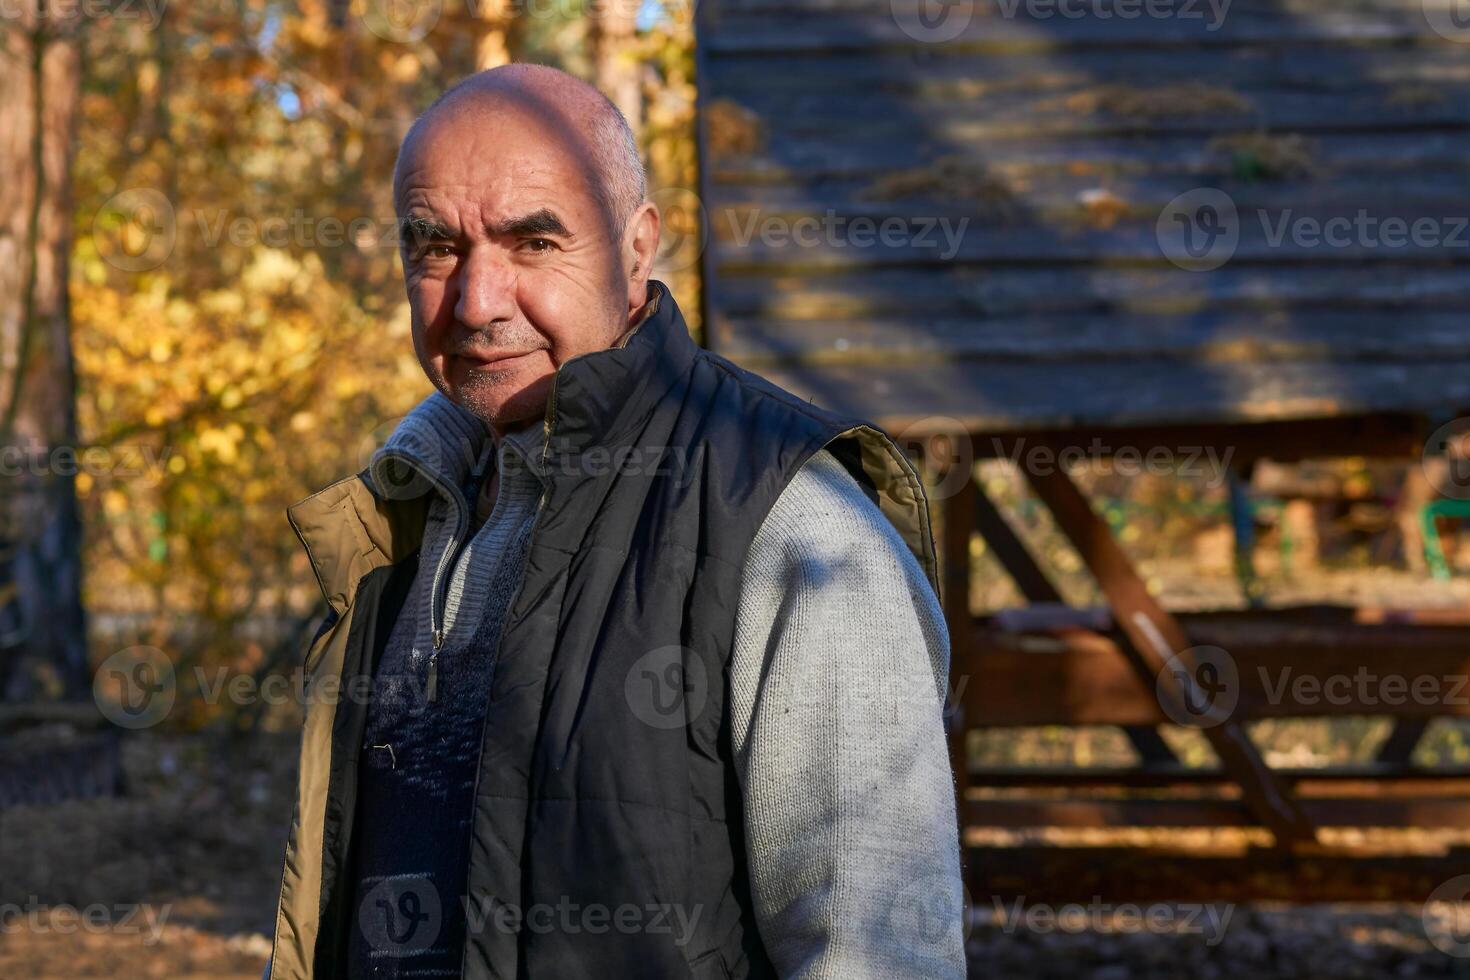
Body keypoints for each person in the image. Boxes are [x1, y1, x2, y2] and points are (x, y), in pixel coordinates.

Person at [264, 63, 965, 980]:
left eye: (532, 242)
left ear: (638, 249)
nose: (477, 302)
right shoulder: (399, 519)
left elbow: (879, 957)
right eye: (435, 247)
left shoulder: (795, 527)